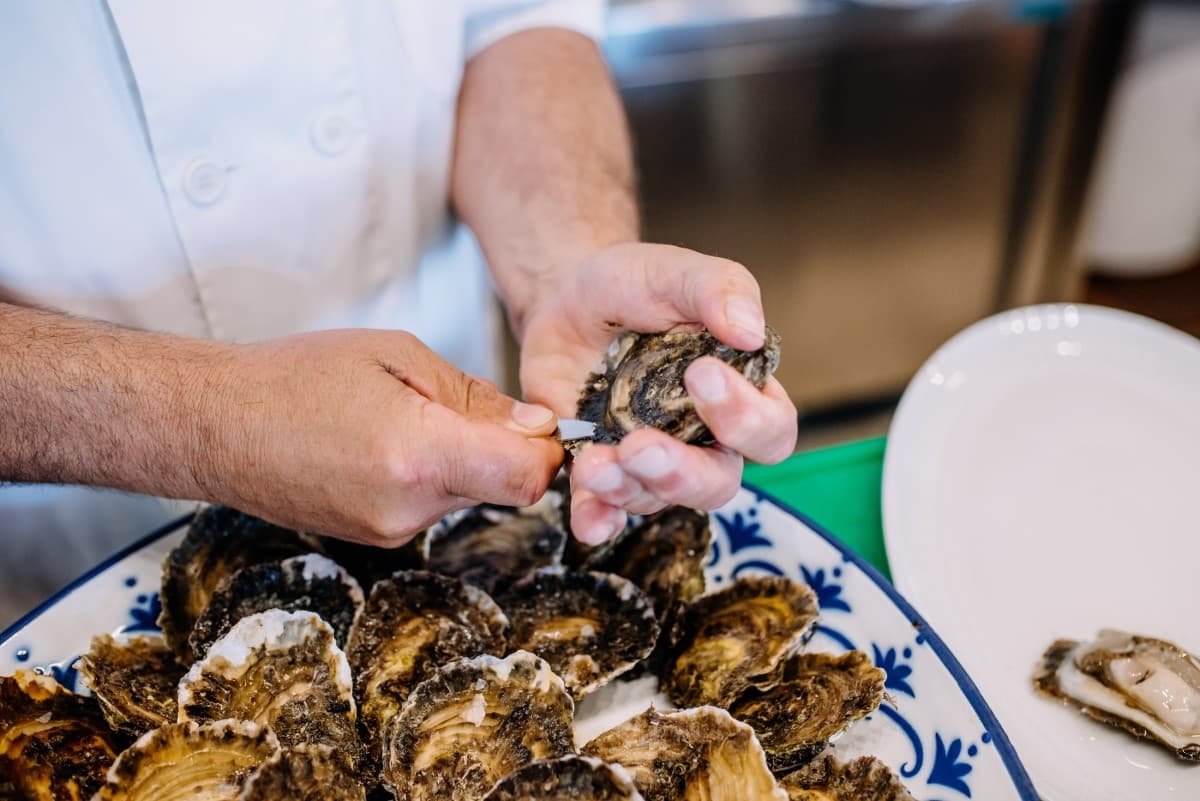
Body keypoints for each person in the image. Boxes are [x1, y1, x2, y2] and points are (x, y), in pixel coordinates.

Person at [0, 2, 797, 620]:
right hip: (56, 570)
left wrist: (565, 264)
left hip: (448, 496)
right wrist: (208, 417)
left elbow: (516, 23)